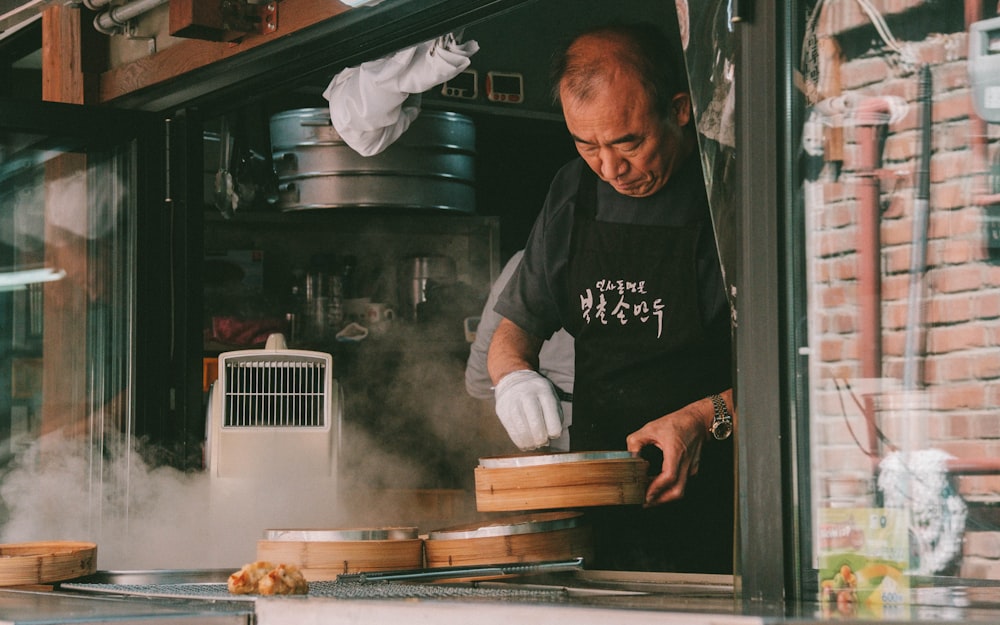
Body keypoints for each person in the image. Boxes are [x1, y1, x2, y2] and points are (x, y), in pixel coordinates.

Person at [487, 21, 735, 573]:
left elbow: (801, 372)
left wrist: (703, 416)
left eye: (628, 142)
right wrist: (514, 378)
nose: (610, 168)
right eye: (586, 144)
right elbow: (513, 329)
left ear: (679, 110)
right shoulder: (573, 191)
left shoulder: (736, 188)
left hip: (732, 514)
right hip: (602, 513)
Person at [465, 250, 575, 450]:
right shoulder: (532, 260)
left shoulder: (530, 259)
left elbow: (479, 376)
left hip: (546, 434)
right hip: (545, 432)